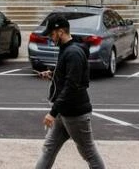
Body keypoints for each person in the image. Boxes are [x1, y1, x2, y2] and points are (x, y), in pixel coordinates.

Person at [35, 14, 106, 169]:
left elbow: (71, 86)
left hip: (75, 114)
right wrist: (53, 74)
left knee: (89, 153)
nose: (50, 38)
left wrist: (52, 112)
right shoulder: (67, 49)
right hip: (64, 112)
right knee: (49, 149)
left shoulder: (73, 53)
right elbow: (68, 75)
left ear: (60, 32)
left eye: (52, 34)